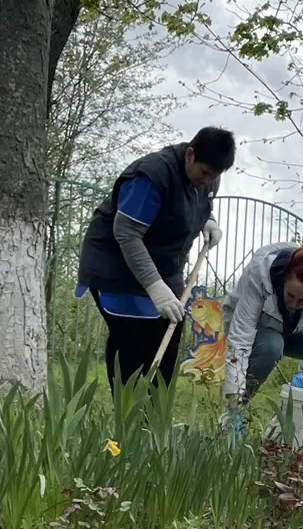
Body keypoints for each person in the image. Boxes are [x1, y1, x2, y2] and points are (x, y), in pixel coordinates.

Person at [77, 127, 233, 386]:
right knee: (132, 338)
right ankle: (127, 408)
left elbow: (199, 201)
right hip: (116, 267)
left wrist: (208, 220)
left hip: (165, 266)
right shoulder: (151, 177)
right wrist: (155, 287)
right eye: (205, 173)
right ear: (190, 155)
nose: (208, 181)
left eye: (214, 176)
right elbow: (127, 234)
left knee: (169, 329)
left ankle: (155, 408)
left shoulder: (206, 177)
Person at [221, 242, 303, 404]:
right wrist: (234, 396)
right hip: (257, 325)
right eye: (290, 295)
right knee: (272, 346)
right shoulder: (259, 274)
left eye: (302, 301)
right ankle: (241, 403)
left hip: (288, 328)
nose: (294, 305)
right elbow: (241, 340)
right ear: (284, 278)